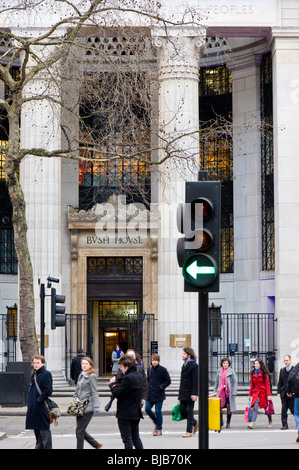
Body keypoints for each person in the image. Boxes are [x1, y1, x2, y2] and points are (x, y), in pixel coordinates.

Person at [109, 354, 144, 449]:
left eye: (121, 367)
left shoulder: (127, 378)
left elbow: (118, 393)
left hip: (125, 412)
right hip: (135, 411)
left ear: (126, 366)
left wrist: (112, 384)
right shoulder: (139, 376)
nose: (121, 369)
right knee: (136, 437)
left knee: (127, 439)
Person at [25, 355, 53, 449]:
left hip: (41, 408)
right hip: (33, 408)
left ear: (43, 363)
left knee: (44, 433)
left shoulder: (46, 374)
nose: (36, 365)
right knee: (37, 434)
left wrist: (38, 400)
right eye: (34, 363)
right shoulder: (34, 374)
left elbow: (48, 390)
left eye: (38, 363)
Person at [75, 357, 102, 449]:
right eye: (83, 363)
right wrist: (75, 398)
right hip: (79, 406)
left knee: (79, 431)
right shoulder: (81, 375)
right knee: (81, 430)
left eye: (86, 364)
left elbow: (94, 391)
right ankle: (95, 444)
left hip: (88, 407)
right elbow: (78, 389)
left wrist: (96, 406)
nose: (84, 365)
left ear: (90, 365)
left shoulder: (92, 376)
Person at [145, 353, 171, 436]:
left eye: (155, 360)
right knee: (147, 409)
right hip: (150, 394)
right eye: (152, 360)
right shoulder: (150, 369)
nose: (154, 362)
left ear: (158, 361)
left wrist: (161, 387)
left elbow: (168, 381)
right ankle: (157, 422)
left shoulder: (163, 370)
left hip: (159, 394)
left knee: (157, 411)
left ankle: (159, 429)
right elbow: (148, 380)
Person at [178, 347, 198, 438]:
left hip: (190, 392)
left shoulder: (194, 365)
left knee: (189, 411)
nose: (182, 355)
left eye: (184, 354)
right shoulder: (184, 364)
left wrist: (195, 393)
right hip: (183, 393)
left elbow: (196, 380)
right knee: (182, 410)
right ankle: (195, 422)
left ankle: (189, 431)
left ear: (188, 355)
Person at [247, 358, 272, 429]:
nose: (255, 365)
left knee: (266, 408)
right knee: (255, 408)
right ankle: (253, 423)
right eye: (255, 364)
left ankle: (270, 419)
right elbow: (252, 385)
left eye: (257, 364)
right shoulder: (252, 373)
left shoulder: (264, 373)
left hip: (263, 393)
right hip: (255, 393)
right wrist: (250, 394)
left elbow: (267, 384)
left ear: (260, 365)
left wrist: (269, 395)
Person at [214, 357, 237, 429]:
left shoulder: (231, 371)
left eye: (227, 363)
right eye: (224, 363)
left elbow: (234, 381)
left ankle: (228, 422)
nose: (225, 364)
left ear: (229, 364)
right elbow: (216, 382)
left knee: (228, 407)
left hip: (228, 392)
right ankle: (220, 421)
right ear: (222, 364)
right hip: (220, 392)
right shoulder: (219, 371)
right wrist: (215, 390)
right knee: (219, 406)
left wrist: (234, 391)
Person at [277, 354, 294, 429]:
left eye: (287, 360)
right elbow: (280, 382)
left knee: (293, 410)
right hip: (284, 394)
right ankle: (284, 424)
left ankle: (298, 423)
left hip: (292, 394)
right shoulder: (282, 370)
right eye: (284, 361)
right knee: (283, 410)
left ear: (290, 360)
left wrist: (294, 392)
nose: (285, 362)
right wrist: (278, 392)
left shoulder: (294, 370)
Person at [286, 360, 299, 442]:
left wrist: (289, 391)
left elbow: (290, 378)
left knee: (297, 413)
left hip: (297, 394)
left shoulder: (296, 367)